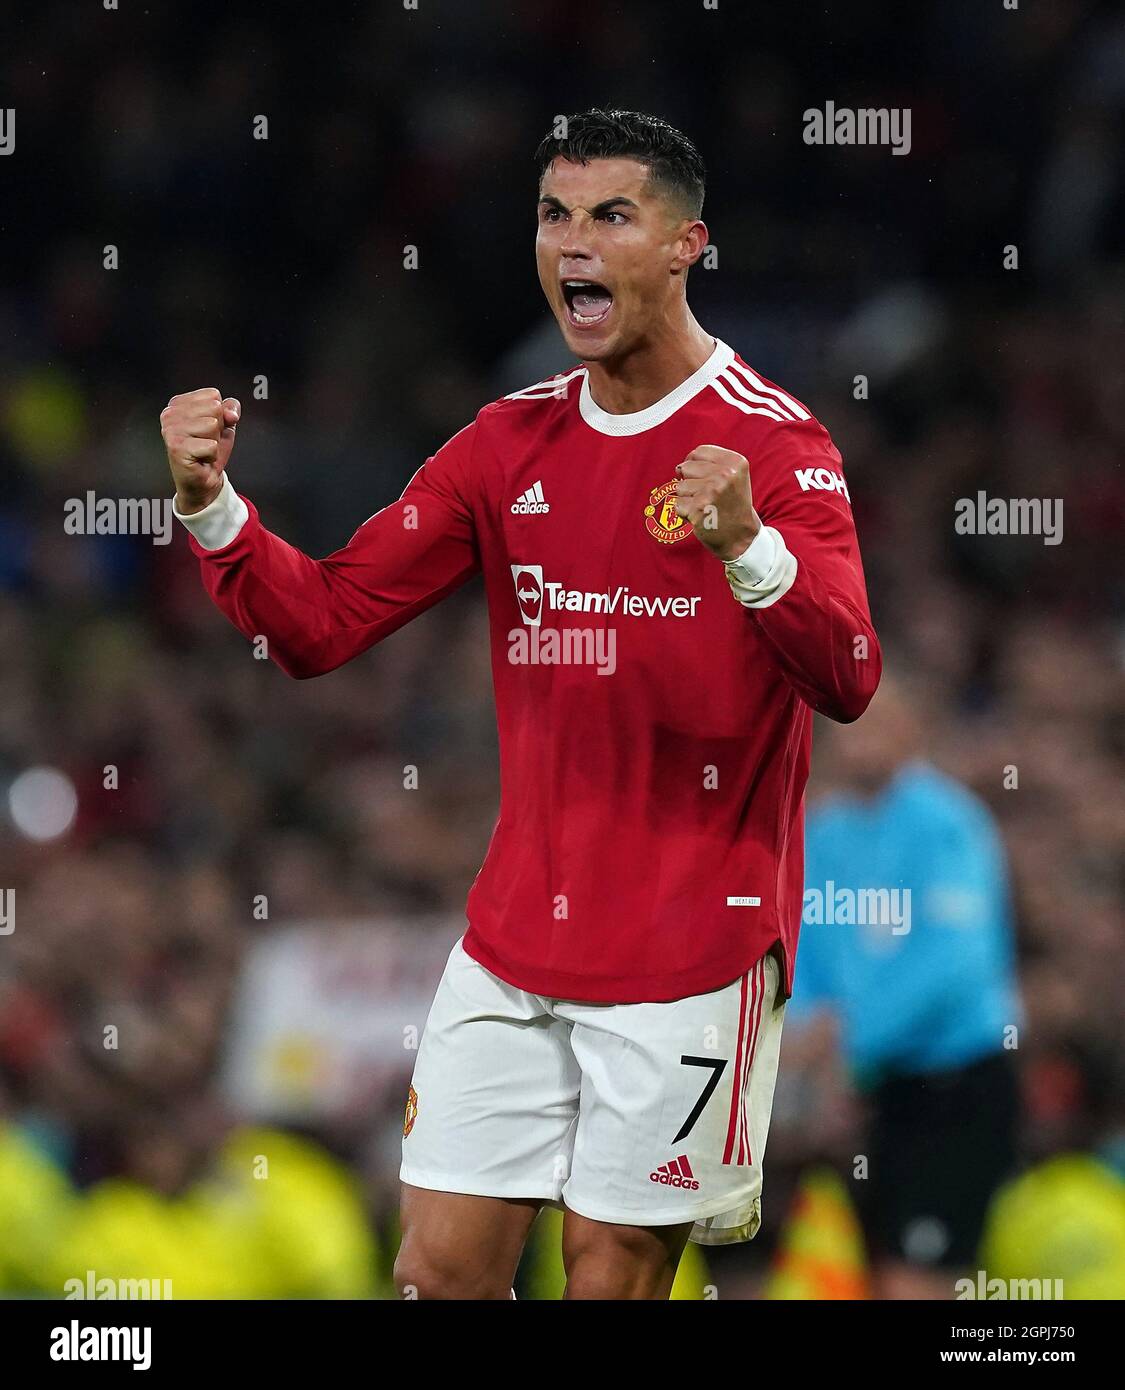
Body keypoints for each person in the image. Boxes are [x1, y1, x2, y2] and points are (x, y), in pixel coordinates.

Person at [161, 109, 881, 1300]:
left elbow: (849, 672)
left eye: (612, 216)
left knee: (607, 1282)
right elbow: (324, 623)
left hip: (690, 952)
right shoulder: (507, 444)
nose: (574, 244)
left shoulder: (776, 446)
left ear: (685, 243)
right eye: (555, 216)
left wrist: (748, 545)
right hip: (512, 947)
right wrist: (214, 510)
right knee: (438, 1276)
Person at [787, 674, 1023, 1298]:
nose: (861, 733)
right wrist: (811, 1029)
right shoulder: (823, 833)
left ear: (911, 730)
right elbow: (802, 946)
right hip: (875, 1093)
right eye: (850, 719)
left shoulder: (947, 825)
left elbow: (956, 963)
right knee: (870, 1273)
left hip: (954, 1084)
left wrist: (849, 1040)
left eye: (879, 718)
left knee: (918, 1279)